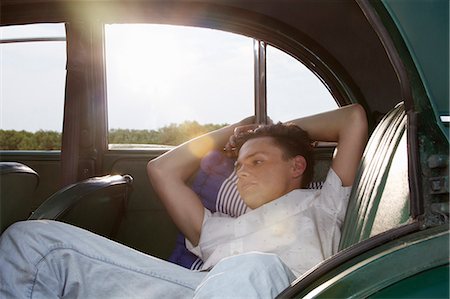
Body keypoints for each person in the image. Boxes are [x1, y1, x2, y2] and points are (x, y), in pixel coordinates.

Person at [0, 104, 367, 298]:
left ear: (297, 166)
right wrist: (235, 130)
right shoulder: (216, 228)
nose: (242, 172)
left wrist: (270, 131)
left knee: (256, 267)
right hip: (190, 290)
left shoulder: (324, 204)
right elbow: (162, 171)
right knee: (33, 241)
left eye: (257, 161)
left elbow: (351, 119)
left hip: (282, 290)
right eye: (238, 165)